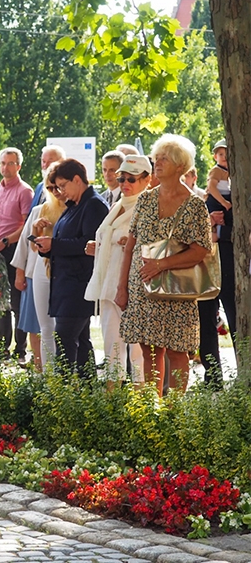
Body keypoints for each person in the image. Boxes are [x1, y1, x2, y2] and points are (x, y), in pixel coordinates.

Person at [116, 134, 212, 396]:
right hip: (142, 286)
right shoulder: (145, 199)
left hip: (177, 290)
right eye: (156, 157)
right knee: (148, 349)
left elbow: (201, 250)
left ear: (180, 166)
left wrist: (161, 264)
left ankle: (175, 411)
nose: (157, 162)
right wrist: (121, 287)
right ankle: (152, 410)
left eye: (164, 158)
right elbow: (130, 245)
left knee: (178, 351)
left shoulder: (195, 205)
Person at [34, 158, 108, 379]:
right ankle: (85, 389)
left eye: (63, 185)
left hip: (79, 284)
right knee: (80, 340)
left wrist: (53, 245)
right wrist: (46, 247)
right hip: (67, 282)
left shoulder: (93, 204)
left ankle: (64, 390)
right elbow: (65, 239)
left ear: (77, 179)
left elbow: (88, 243)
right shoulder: (74, 205)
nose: (60, 191)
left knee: (64, 337)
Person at [85, 155, 151, 387]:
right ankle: (111, 398)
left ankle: (141, 399)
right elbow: (106, 237)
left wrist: (133, 244)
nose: (125, 183)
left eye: (131, 179)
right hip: (108, 282)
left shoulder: (148, 206)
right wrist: (99, 246)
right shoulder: (117, 205)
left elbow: (155, 246)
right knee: (112, 344)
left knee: (137, 349)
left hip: (133, 285)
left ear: (147, 180)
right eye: (121, 177)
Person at [13, 165, 67, 369]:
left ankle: (64, 373)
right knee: (43, 326)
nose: (55, 192)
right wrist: (36, 232)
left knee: (64, 327)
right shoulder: (39, 210)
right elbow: (28, 246)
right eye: (50, 187)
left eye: (59, 186)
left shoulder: (73, 209)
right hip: (40, 269)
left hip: (64, 272)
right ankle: (47, 372)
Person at [0, 147, 33, 361]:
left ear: (19, 166)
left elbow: (26, 225)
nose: (6, 167)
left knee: (17, 301)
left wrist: (4, 242)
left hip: (14, 248)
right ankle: (3, 347)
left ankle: (20, 348)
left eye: (10, 163)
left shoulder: (24, 191)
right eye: (3, 163)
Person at [198, 139, 236, 388]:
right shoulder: (207, 195)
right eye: (220, 154)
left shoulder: (240, 187)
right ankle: (212, 376)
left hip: (231, 264)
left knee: (235, 317)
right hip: (205, 264)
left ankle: (244, 372)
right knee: (205, 321)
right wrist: (209, 224)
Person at [206, 139, 231, 215]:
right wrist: (223, 202)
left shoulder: (228, 171)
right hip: (216, 200)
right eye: (221, 154)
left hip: (224, 198)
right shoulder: (217, 170)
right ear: (215, 157)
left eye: (227, 154)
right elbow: (211, 187)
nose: (224, 157)